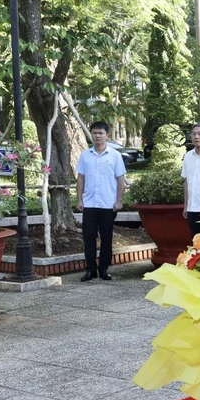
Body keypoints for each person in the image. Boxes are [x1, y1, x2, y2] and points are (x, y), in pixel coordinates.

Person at [76, 121, 126, 282]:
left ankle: (104, 269)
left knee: (106, 237)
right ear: (91, 135)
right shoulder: (85, 155)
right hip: (89, 204)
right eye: (95, 133)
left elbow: (120, 180)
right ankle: (90, 270)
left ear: (107, 135)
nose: (97, 136)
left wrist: (119, 201)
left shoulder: (115, 155)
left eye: (100, 133)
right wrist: (79, 199)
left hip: (108, 204)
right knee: (88, 237)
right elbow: (81, 178)